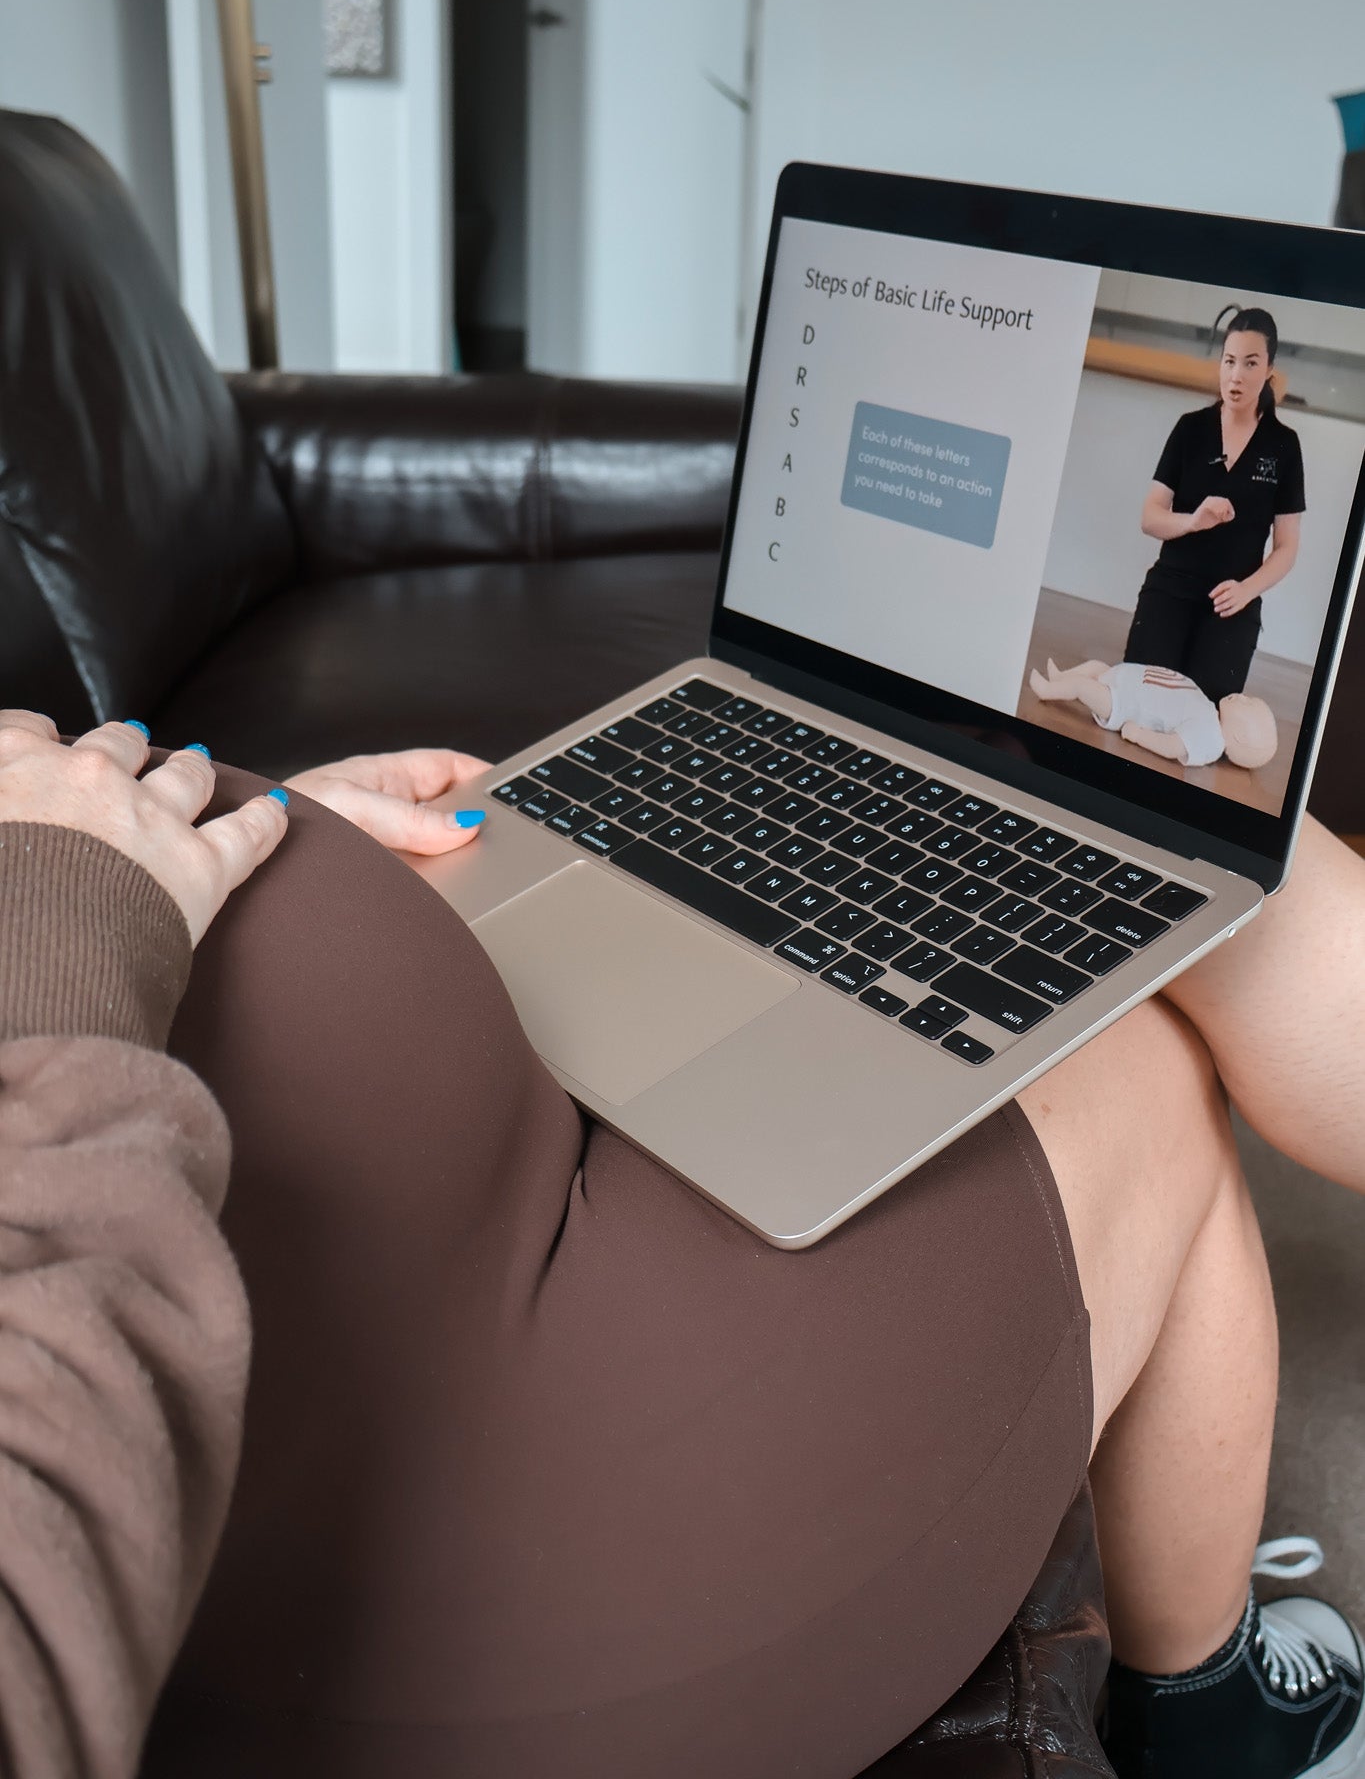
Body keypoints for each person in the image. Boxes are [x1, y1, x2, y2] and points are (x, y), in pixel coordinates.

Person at [0, 711, 1361, 1779]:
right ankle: (1206, 1711)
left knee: (1050, 820)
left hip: (421, 1264)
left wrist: (260, 847)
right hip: (499, 1575)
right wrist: (74, 897)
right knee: (1142, 981)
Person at [1124, 308, 1306, 705]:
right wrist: (1193, 521)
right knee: (1141, 700)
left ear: (1269, 369)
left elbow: (1287, 547)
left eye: (1250, 363)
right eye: (1229, 361)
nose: (1236, 375)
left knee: (1203, 708)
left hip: (1231, 602)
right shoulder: (1191, 428)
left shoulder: (1284, 445)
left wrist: (1246, 591)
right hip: (1171, 586)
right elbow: (1150, 516)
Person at [1029, 655, 1278, 769]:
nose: (1243, 696)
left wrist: (1138, 735)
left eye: (1248, 703)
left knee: (1083, 687)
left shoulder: (1210, 737)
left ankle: (1048, 690)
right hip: (1121, 683)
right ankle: (1061, 678)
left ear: (1240, 738)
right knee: (1096, 667)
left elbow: (1173, 747)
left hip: (1120, 705)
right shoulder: (1208, 710)